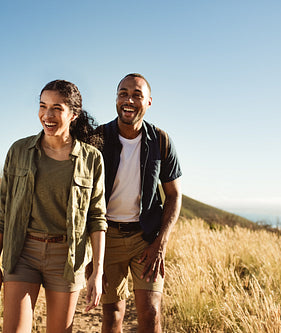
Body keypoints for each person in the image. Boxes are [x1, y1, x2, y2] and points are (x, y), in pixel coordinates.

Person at [0, 79, 107, 333]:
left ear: (73, 115)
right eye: (43, 106)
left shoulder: (91, 159)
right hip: (23, 252)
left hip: (67, 257)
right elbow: (4, 212)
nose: (47, 115)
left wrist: (97, 271)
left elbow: (97, 218)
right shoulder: (19, 151)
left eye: (57, 108)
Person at [98, 73, 182, 332]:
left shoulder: (161, 141)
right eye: (123, 93)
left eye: (136, 95)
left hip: (145, 239)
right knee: (112, 314)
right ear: (116, 99)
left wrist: (160, 244)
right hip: (107, 236)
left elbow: (174, 195)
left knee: (151, 312)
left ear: (148, 102)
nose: (129, 100)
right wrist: (90, 250)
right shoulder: (98, 138)